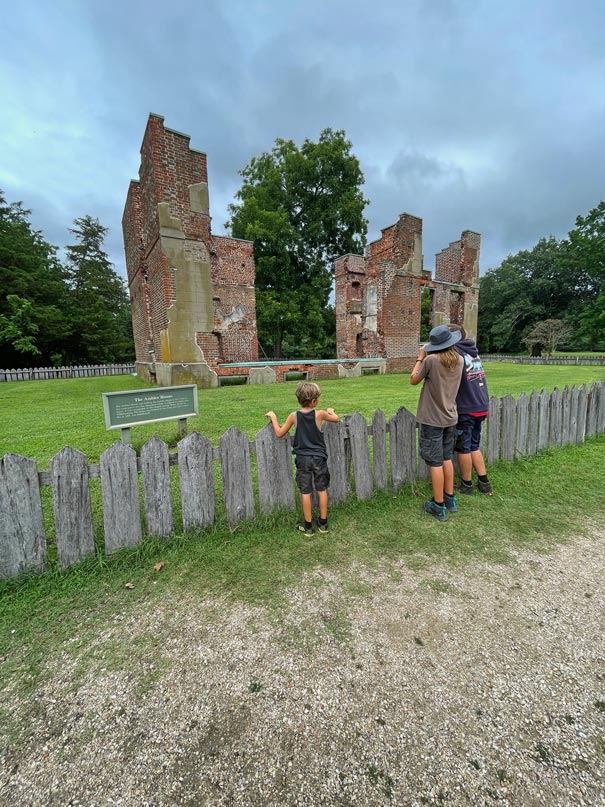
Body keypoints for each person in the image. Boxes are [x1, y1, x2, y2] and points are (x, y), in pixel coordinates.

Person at [265, 382, 339, 536]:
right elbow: (336, 419)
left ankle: (308, 526)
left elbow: (279, 433)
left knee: (305, 491)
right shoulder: (320, 414)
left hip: (302, 460)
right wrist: (331, 411)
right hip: (319, 459)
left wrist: (273, 417)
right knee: (321, 489)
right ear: (314, 401)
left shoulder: (294, 416)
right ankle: (323, 524)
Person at [410, 324, 464, 521]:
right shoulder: (459, 360)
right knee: (447, 458)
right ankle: (450, 499)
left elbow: (413, 380)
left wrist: (420, 357)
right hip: (450, 416)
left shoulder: (431, 360)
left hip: (432, 418)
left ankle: (438, 504)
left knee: (435, 462)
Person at [448, 324, 493, 495]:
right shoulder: (472, 352)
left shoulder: (456, 354)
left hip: (467, 406)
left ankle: (466, 485)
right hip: (480, 405)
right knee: (474, 445)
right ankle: (484, 482)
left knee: (463, 447)